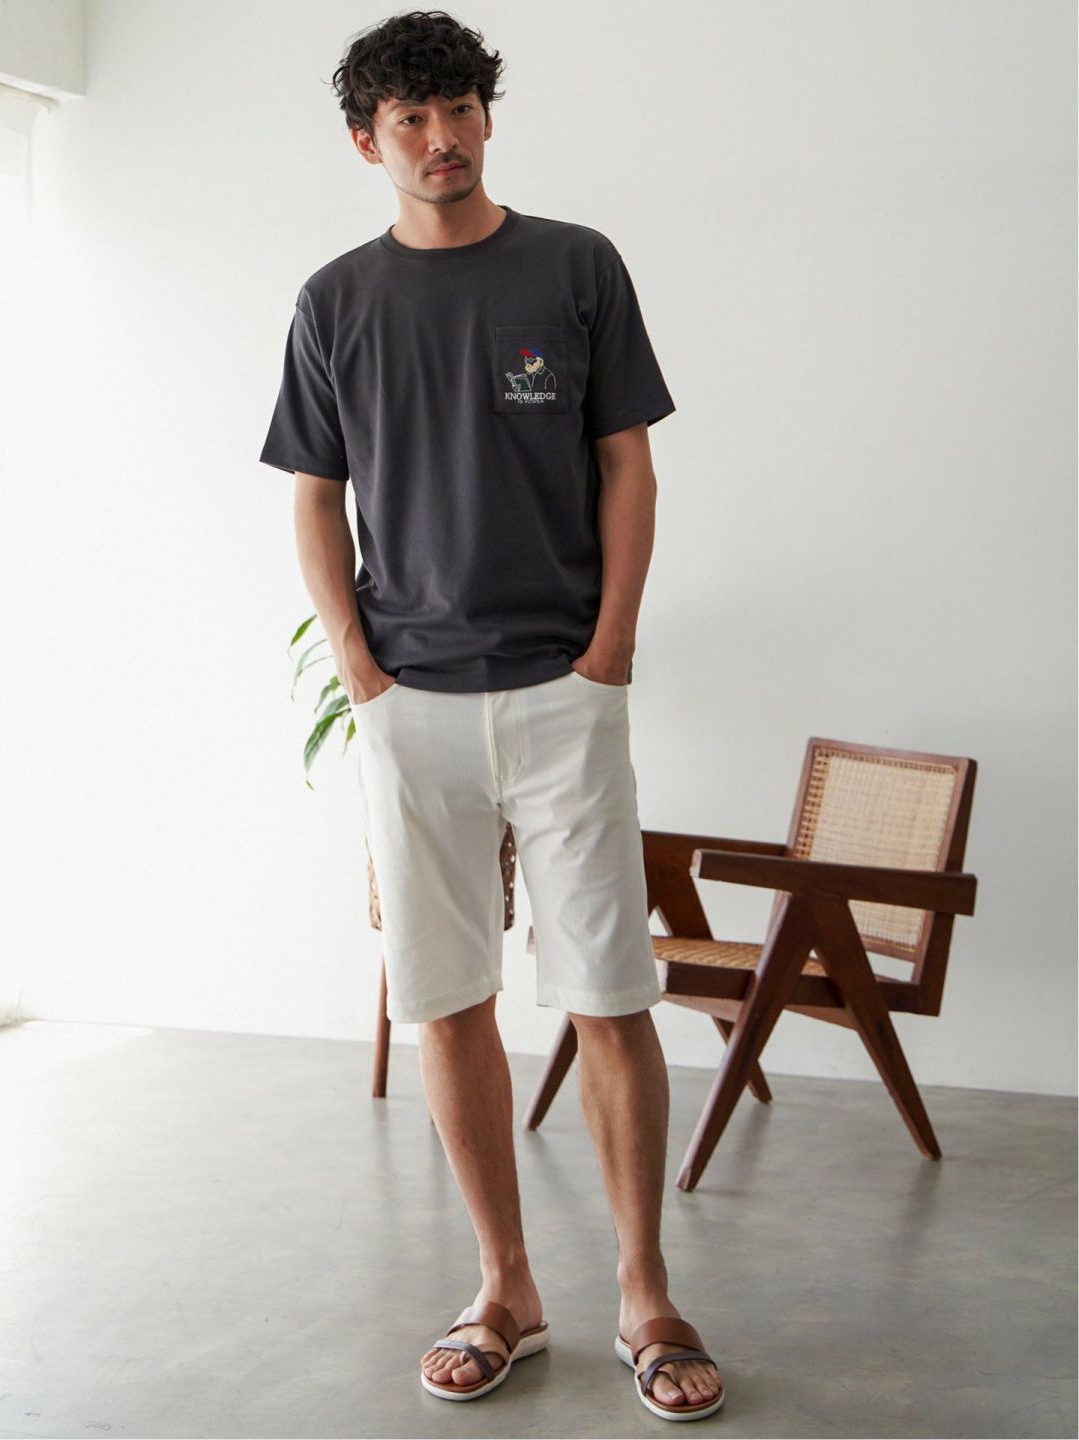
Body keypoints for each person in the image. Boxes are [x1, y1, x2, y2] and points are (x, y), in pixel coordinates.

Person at [258, 8, 724, 1423]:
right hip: (411, 704)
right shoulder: (335, 301)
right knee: (448, 997)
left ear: (486, 118)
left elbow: (627, 464)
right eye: (409, 118)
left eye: (458, 109)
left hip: (564, 692)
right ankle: (505, 1290)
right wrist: (359, 668)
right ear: (368, 142)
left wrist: (610, 650)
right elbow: (315, 496)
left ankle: (644, 1294)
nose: (440, 137)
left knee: (610, 995)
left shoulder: (575, 266)